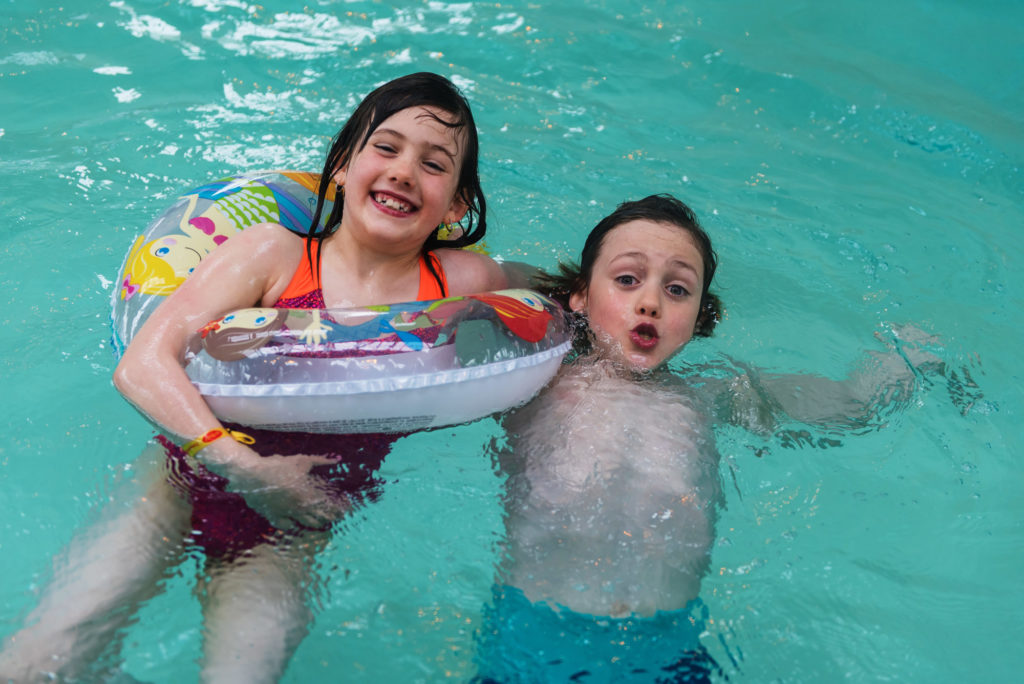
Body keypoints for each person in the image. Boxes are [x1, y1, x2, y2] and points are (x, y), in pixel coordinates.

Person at [0, 72, 507, 683]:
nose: (403, 170)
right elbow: (140, 363)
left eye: (434, 163)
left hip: (296, 525)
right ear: (342, 167)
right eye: (387, 147)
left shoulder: (461, 283)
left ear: (456, 205)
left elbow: (565, 301)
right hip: (182, 483)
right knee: (43, 655)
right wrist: (243, 468)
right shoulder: (275, 254)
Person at [475, 194, 946, 682]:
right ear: (580, 295)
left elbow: (844, 406)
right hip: (536, 633)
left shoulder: (712, 394)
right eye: (626, 279)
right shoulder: (536, 379)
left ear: (701, 318)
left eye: (678, 289)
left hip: (669, 648)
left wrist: (904, 362)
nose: (650, 302)